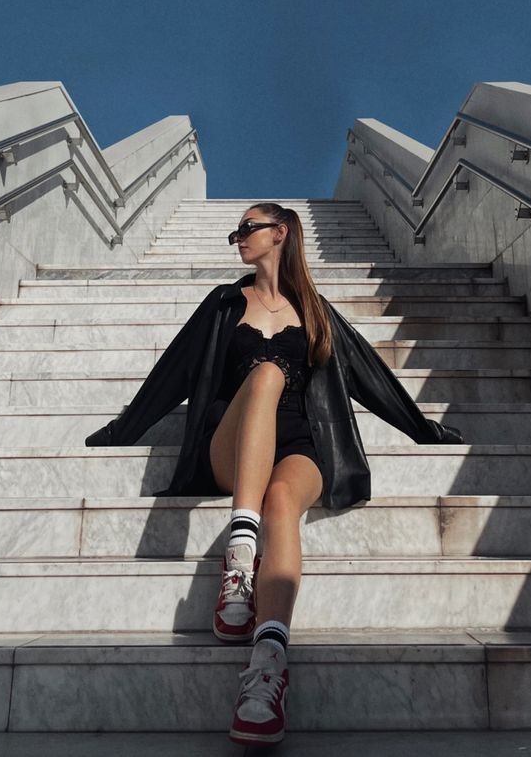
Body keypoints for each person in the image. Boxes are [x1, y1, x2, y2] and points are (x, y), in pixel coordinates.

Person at [85, 201, 463, 747]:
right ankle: (241, 553)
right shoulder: (223, 304)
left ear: (280, 233)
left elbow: (374, 379)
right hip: (229, 447)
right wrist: (121, 431)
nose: (237, 237)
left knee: (284, 502)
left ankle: (267, 667)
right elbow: (171, 375)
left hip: (301, 446)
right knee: (265, 375)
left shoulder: (314, 310)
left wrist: (424, 429)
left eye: (247, 229)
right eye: (236, 231)